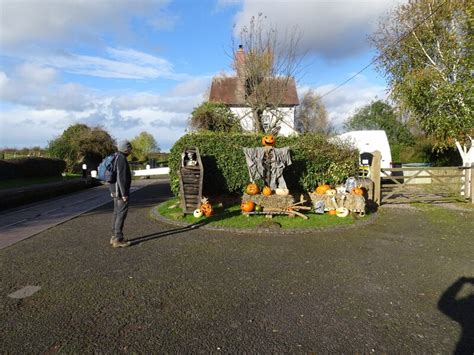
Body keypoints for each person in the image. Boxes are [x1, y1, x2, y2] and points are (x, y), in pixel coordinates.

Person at [110, 140, 133, 248]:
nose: (131, 151)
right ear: (125, 149)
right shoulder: (122, 159)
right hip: (120, 192)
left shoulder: (115, 157)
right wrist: (124, 194)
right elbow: (121, 178)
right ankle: (118, 239)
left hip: (114, 190)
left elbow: (113, 176)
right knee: (121, 214)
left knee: (116, 213)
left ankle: (114, 236)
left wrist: (112, 191)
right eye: (130, 148)